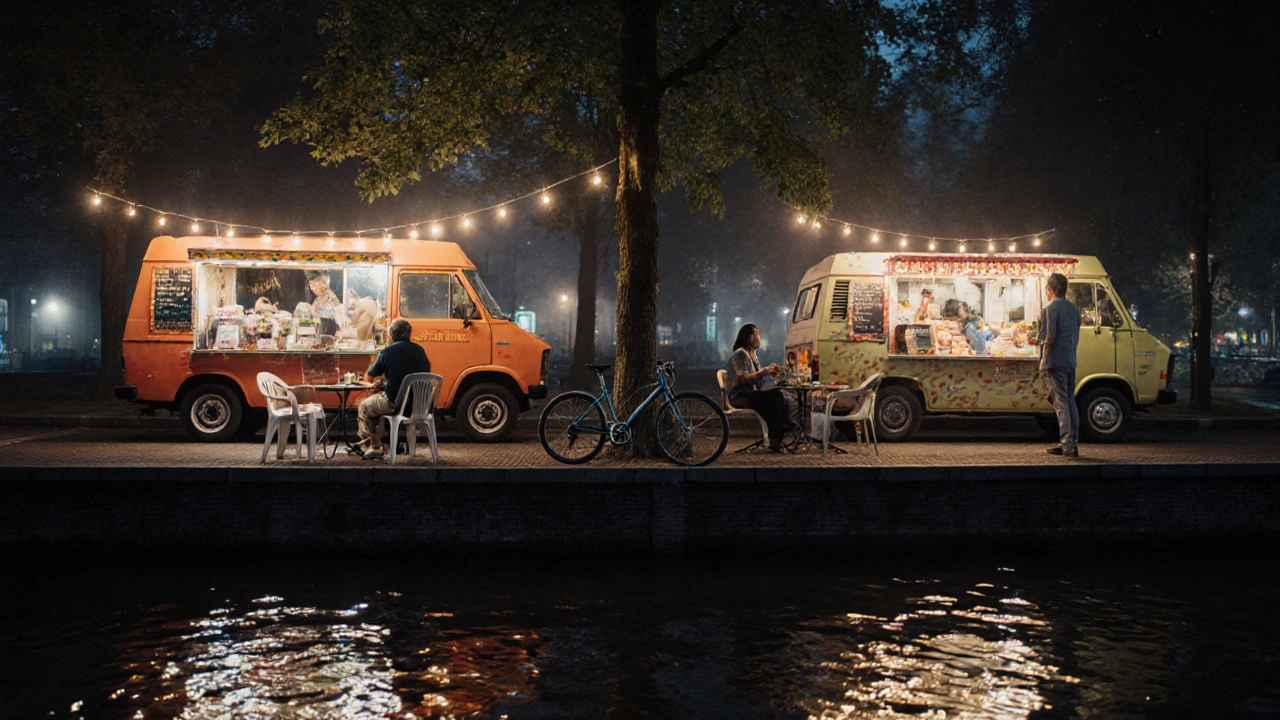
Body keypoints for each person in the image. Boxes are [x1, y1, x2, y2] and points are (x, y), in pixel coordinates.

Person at [356, 318, 431, 459]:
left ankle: (371, 446)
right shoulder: (420, 350)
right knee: (377, 402)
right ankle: (394, 445)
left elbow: (369, 377)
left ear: (391, 334)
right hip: (418, 406)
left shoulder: (387, 351)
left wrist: (376, 387)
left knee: (365, 406)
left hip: (395, 404)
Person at [1036, 272, 1081, 457]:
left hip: (1056, 361)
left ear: (1050, 289)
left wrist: (1043, 360)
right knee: (1070, 400)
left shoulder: (1050, 309)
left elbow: (1050, 337)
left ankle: (1066, 445)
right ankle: (1073, 442)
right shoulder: (1074, 309)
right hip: (1070, 359)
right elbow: (1076, 338)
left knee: (1061, 404)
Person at [726, 323, 790, 452]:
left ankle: (780, 432)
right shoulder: (740, 355)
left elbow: (756, 377)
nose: (760, 337)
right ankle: (777, 435)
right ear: (750, 337)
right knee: (774, 397)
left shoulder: (753, 355)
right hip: (739, 395)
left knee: (779, 395)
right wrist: (763, 371)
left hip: (750, 393)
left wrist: (770, 371)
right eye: (758, 334)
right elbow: (744, 377)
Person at [306, 270, 343, 336]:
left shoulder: (331, 297)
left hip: (329, 335)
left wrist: (315, 311)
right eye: (311, 284)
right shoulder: (318, 299)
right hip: (319, 334)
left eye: (315, 284)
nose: (313, 287)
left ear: (324, 283)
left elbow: (336, 315)